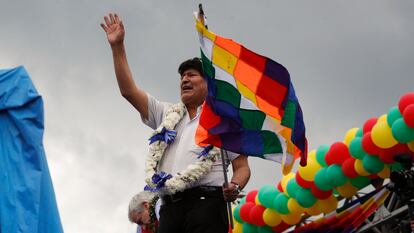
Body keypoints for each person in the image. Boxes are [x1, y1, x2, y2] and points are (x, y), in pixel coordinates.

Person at [100, 13, 250, 233]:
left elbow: (242, 167)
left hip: (207, 205)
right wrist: (118, 46)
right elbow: (128, 91)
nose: (184, 80)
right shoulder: (166, 114)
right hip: (170, 209)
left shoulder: (224, 121)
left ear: (208, 83)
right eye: (182, 77)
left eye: (191, 75)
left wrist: (235, 186)